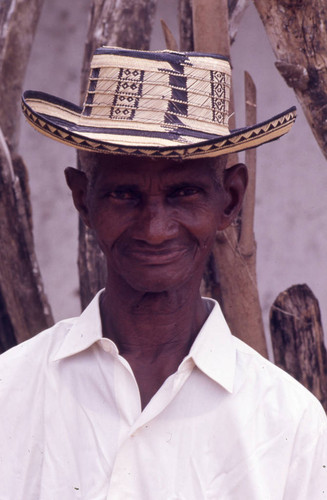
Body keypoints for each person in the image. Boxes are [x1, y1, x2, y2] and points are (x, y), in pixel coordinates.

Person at [0, 47, 326, 499]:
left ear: (230, 200)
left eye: (184, 192)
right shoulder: (10, 392)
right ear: (82, 199)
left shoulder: (290, 427)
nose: (154, 230)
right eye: (124, 194)